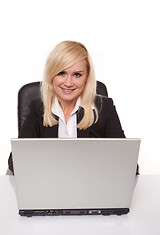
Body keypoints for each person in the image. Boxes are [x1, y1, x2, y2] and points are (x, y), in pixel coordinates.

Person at [8, 40, 127, 175]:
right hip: (50, 185)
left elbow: (128, 163)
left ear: (87, 77)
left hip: (92, 185)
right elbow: (15, 162)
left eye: (77, 75)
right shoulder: (38, 109)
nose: (68, 83)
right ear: (51, 74)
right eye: (61, 73)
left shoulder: (104, 108)